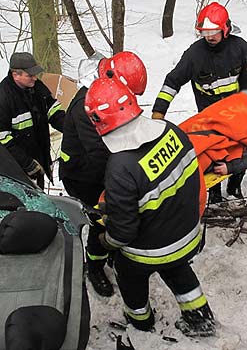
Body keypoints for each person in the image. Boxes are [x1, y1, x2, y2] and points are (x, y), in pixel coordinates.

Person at [85, 76, 216, 337]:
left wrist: (106, 239)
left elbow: (123, 233)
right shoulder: (170, 130)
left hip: (150, 250)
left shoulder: (121, 167)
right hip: (187, 234)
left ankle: (141, 321)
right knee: (179, 270)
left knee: (130, 276)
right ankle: (200, 318)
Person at [59, 51, 148, 297]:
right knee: (101, 221)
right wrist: (126, 176)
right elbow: (100, 152)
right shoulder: (86, 106)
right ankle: (95, 266)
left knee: (116, 213)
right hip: (83, 176)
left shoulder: (106, 93)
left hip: (103, 168)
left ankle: (113, 250)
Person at [152, 1, 247, 203]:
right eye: (204, 33)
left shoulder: (240, 48)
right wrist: (159, 112)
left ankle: (235, 186)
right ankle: (215, 194)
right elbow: (172, 82)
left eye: (214, 32)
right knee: (213, 154)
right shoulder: (194, 55)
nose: (209, 37)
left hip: (238, 113)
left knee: (240, 150)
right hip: (210, 118)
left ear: (226, 29)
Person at [0, 52, 65, 189]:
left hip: (39, 158)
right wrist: (27, 163)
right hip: (16, 168)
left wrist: (71, 128)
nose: (35, 78)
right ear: (15, 75)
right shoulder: (4, 98)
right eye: (30, 75)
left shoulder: (37, 87)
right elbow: (3, 139)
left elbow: (53, 112)